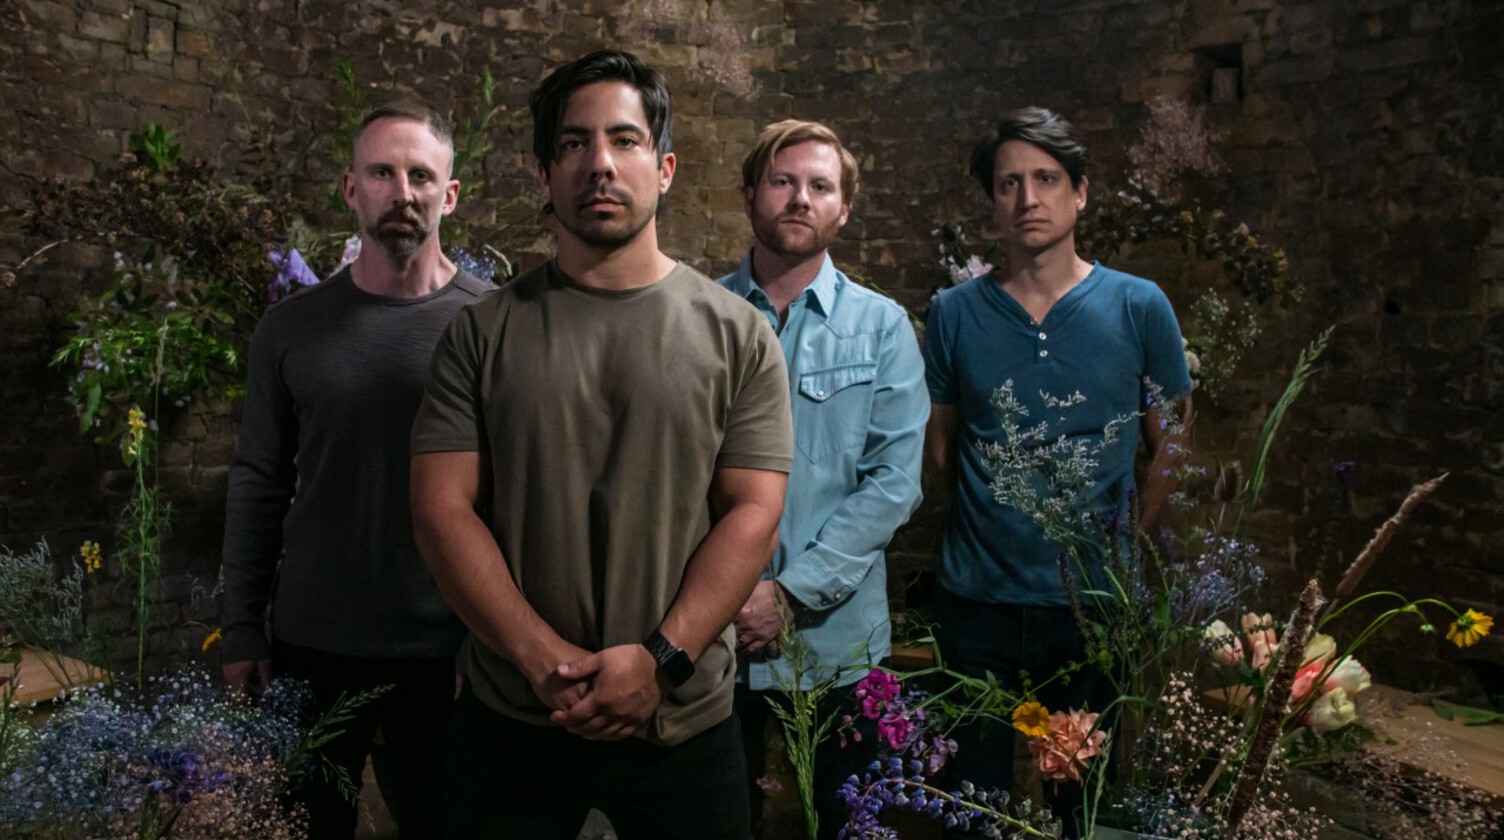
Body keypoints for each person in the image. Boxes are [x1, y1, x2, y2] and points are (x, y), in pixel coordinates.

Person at [409, 50, 792, 840]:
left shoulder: (738, 334)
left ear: (665, 167)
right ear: (544, 172)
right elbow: (442, 511)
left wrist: (660, 660)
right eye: (574, 144)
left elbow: (753, 514)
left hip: (682, 720)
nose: (600, 164)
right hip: (515, 716)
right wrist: (540, 659)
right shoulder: (482, 333)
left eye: (624, 140)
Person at [219, 101, 490, 838]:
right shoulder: (290, 328)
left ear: (449, 195)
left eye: (420, 176)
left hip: (443, 646)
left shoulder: (492, 325)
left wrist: (492, 636)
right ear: (350, 189)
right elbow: (258, 479)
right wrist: (241, 627)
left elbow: (516, 497)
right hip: (314, 641)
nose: (402, 191)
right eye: (382, 173)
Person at [922, 107, 1193, 831]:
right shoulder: (953, 313)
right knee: (972, 808)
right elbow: (942, 449)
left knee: (1082, 808)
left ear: (1081, 193)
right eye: (1009, 183)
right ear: (991, 203)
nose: (1027, 198)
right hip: (976, 603)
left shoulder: (1138, 306)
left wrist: (1128, 546)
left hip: (1088, 608)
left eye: (1046, 179)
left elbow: (1172, 446)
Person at [716, 119, 927, 839]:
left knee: (845, 826)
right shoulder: (698, 316)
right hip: (713, 637)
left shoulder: (882, 328)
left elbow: (893, 483)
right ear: (750, 196)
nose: (800, 198)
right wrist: (726, 592)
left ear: (844, 209)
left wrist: (790, 593)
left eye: (820, 186)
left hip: (836, 647)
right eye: (782, 181)